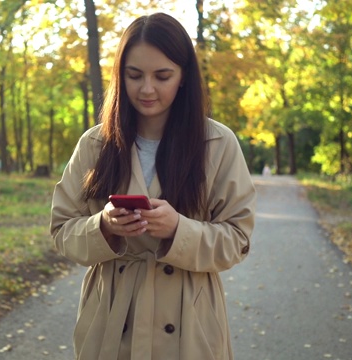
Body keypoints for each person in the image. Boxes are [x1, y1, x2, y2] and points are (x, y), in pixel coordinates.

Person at [50, 12, 256, 360]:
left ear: (183, 77)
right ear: (120, 75)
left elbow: (237, 240)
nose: (147, 89)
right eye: (134, 75)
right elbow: (61, 230)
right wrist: (104, 226)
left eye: (162, 76)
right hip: (111, 319)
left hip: (189, 322)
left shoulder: (218, 143)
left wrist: (179, 229)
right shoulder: (95, 145)